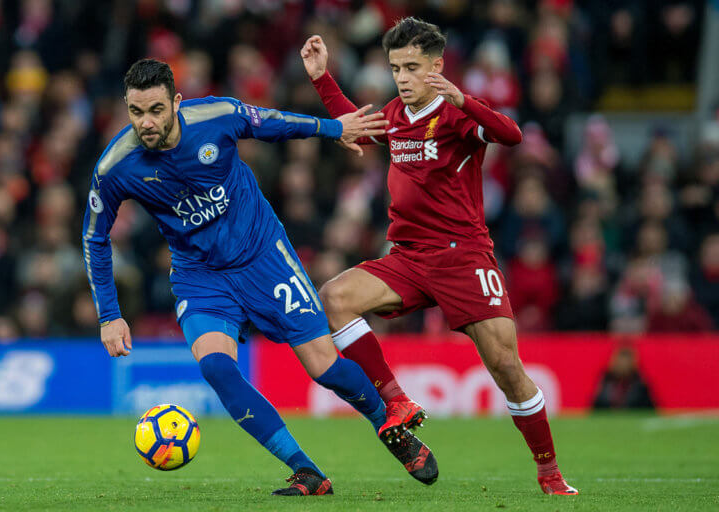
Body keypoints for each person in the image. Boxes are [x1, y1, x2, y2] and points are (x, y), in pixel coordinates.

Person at [81, 59, 438, 496]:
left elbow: (271, 122)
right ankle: (307, 471)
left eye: (156, 109)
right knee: (216, 367)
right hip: (200, 277)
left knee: (324, 367)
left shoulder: (216, 117)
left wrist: (333, 128)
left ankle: (390, 427)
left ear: (177, 101)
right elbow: (94, 239)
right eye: (136, 112)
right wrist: (109, 315)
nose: (147, 122)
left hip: (263, 256)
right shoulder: (116, 167)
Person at [301, 18, 577, 495]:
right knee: (335, 296)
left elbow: (512, 135)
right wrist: (323, 79)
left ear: (437, 66)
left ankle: (549, 472)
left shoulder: (456, 116)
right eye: (395, 68)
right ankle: (396, 401)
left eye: (412, 67)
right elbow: (359, 127)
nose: (403, 78)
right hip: (408, 258)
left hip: (463, 258)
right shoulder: (394, 114)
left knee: (507, 368)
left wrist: (463, 100)